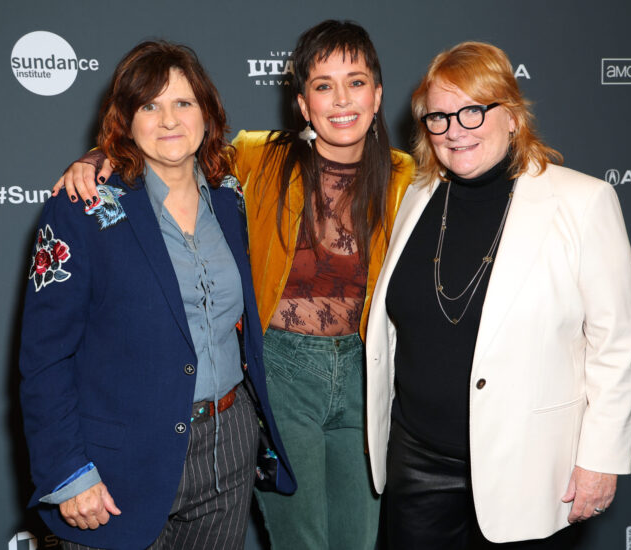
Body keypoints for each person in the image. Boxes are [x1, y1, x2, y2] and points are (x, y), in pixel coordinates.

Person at [53, 21, 415, 550]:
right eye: (323, 85)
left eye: (356, 82)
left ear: (378, 95)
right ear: (303, 103)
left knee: (359, 540)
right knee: (303, 541)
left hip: (367, 374)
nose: (342, 99)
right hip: (283, 370)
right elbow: (171, 142)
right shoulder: (257, 155)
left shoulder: (410, 177)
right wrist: (97, 157)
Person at [20, 41, 294, 550]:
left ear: (207, 113)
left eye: (183, 103)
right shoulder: (83, 207)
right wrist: (67, 472)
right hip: (118, 460)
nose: (169, 119)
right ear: (126, 120)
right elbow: (45, 357)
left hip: (227, 447)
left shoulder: (230, 197)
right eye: (149, 105)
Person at [364, 41, 631, 548]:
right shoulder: (417, 196)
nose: (455, 130)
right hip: (417, 460)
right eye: (439, 117)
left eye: (473, 111)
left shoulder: (583, 202)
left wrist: (600, 459)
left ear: (511, 116)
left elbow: (615, 345)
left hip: (528, 465)